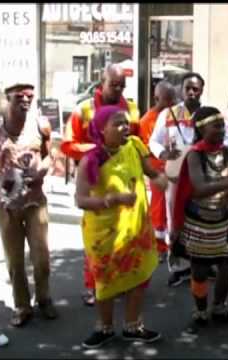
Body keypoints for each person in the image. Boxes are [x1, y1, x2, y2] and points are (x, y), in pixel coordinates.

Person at [75, 106, 168, 348]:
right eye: (117, 124)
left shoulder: (135, 145)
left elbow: (151, 172)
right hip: (104, 233)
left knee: (139, 277)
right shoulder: (90, 160)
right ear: (101, 129)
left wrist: (160, 179)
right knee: (105, 282)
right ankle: (104, 328)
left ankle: (132, 326)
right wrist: (113, 200)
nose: (125, 127)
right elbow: (81, 200)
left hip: (137, 229)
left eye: (126, 123)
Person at [61, 63, 140, 306]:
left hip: (126, 181)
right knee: (96, 239)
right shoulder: (83, 109)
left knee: (126, 235)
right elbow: (67, 145)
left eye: (122, 86)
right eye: (113, 85)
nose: (118, 90)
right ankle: (93, 285)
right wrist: (97, 152)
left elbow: (137, 141)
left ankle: (121, 281)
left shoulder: (132, 108)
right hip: (94, 181)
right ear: (100, 83)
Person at [170, 106, 228, 333]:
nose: (221, 130)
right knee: (199, 269)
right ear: (201, 128)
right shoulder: (195, 154)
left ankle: (219, 307)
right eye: (215, 126)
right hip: (199, 220)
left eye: (222, 126)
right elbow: (200, 187)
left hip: (223, 219)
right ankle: (200, 311)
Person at [0, 82, 58, 327]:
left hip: (35, 202)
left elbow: (49, 156)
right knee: (14, 260)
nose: (25, 100)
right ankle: (22, 306)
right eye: (19, 96)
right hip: (7, 205)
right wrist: (3, 184)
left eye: (29, 96)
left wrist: (41, 172)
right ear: (7, 99)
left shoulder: (41, 126)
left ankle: (44, 299)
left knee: (41, 257)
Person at [149, 72, 216, 287]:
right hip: (176, 172)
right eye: (188, 87)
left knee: (203, 216)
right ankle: (178, 267)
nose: (191, 92)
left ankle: (203, 262)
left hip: (201, 172)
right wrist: (162, 154)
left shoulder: (209, 114)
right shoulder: (168, 114)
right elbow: (154, 141)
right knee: (174, 217)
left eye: (196, 89)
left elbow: (224, 138)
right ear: (182, 89)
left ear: (202, 91)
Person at [139, 81, 176, 263]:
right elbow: (147, 149)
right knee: (159, 210)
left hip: (174, 170)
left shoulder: (174, 115)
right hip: (158, 172)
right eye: (167, 99)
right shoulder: (147, 120)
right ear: (156, 98)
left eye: (172, 98)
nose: (171, 102)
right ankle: (159, 247)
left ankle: (171, 245)